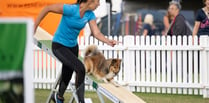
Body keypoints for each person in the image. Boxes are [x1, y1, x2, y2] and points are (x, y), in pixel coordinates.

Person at [34, 0, 117, 103]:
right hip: (59, 45)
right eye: (98, 1)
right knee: (80, 68)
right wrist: (34, 26)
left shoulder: (90, 15)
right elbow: (47, 8)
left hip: (73, 47)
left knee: (67, 72)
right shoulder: (71, 9)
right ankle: (81, 101)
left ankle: (58, 97)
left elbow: (96, 33)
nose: (99, 4)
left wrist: (108, 41)